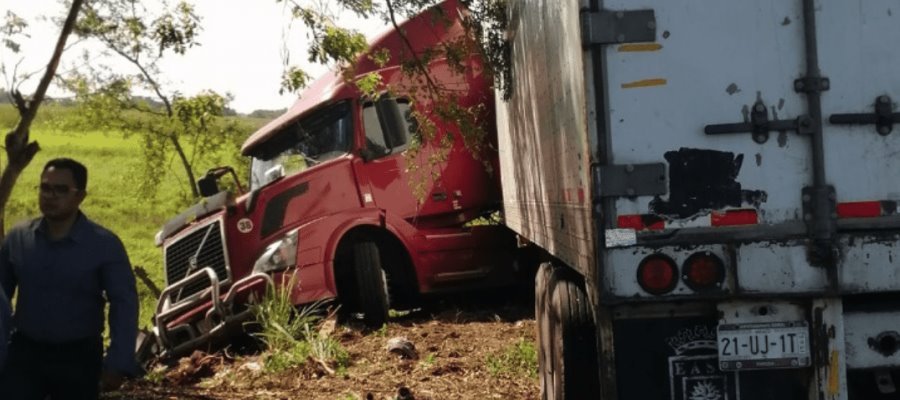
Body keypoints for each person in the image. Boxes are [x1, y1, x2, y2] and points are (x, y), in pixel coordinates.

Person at [0, 158, 139, 399]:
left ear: (80, 196)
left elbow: (124, 303)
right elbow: (2, 295)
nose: (50, 196)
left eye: (61, 189)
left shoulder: (104, 245)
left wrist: (117, 363)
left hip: (78, 359)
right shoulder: (18, 238)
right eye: (45, 188)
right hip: (25, 354)